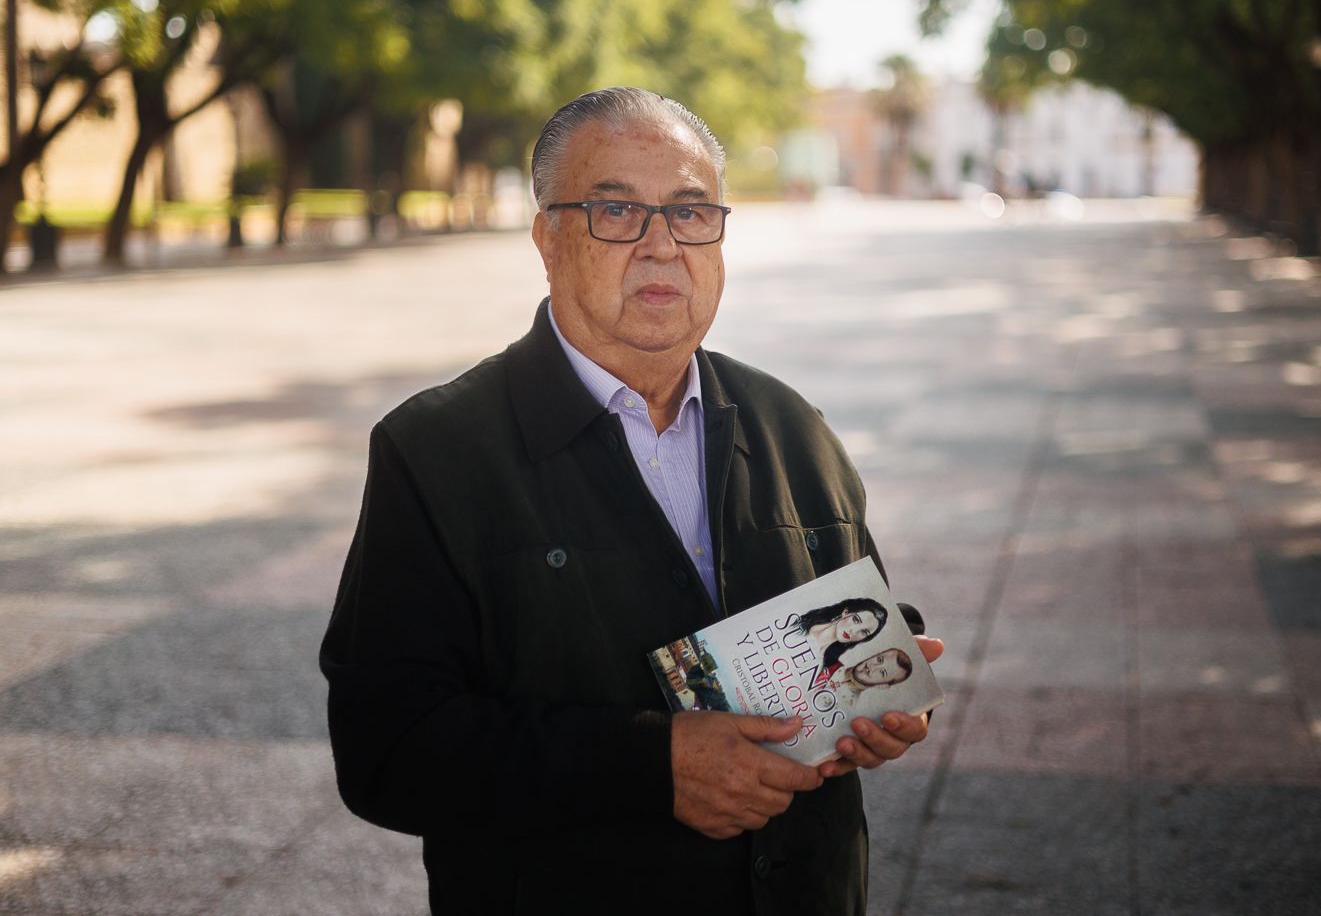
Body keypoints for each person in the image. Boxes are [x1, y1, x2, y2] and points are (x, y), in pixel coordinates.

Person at [320, 86, 943, 916]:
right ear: (547, 236)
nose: (662, 247)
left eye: (690, 213)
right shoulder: (435, 452)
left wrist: (879, 691)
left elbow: (843, 617)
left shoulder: (794, 427)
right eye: (616, 211)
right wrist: (652, 766)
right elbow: (387, 751)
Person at [797, 597, 889, 670]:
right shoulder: (802, 621)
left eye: (864, 632)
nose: (853, 631)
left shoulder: (830, 667)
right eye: (856, 620)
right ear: (846, 612)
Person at [815, 647, 914, 706]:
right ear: (875, 654)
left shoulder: (847, 708)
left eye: (882, 672)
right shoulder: (826, 660)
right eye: (879, 660)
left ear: (882, 686)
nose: (873, 667)